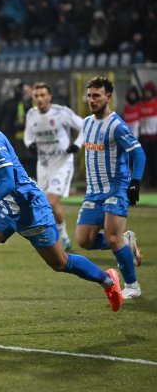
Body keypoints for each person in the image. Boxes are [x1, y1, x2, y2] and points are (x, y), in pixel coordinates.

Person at [0, 102, 123, 334]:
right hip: (5, 208)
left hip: (29, 209)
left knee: (60, 263)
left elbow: (8, 182)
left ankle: (108, 281)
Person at [75, 76, 146, 300]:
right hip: (93, 191)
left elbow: (139, 153)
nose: (91, 100)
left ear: (108, 97)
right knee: (84, 240)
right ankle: (126, 242)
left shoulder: (116, 125)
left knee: (113, 238)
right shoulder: (86, 123)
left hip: (116, 188)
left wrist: (135, 182)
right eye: (89, 95)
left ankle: (132, 285)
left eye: (96, 96)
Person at [24, 82, 84, 251]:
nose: (40, 99)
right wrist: (29, 144)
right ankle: (53, 237)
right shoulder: (31, 114)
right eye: (36, 96)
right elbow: (28, 134)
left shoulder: (62, 112)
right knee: (43, 203)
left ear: (49, 96)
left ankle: (63, 237)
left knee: (51, 200)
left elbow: (85, 126)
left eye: (43, 95)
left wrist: (77, 144)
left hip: (62, 163)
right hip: (43, 165)